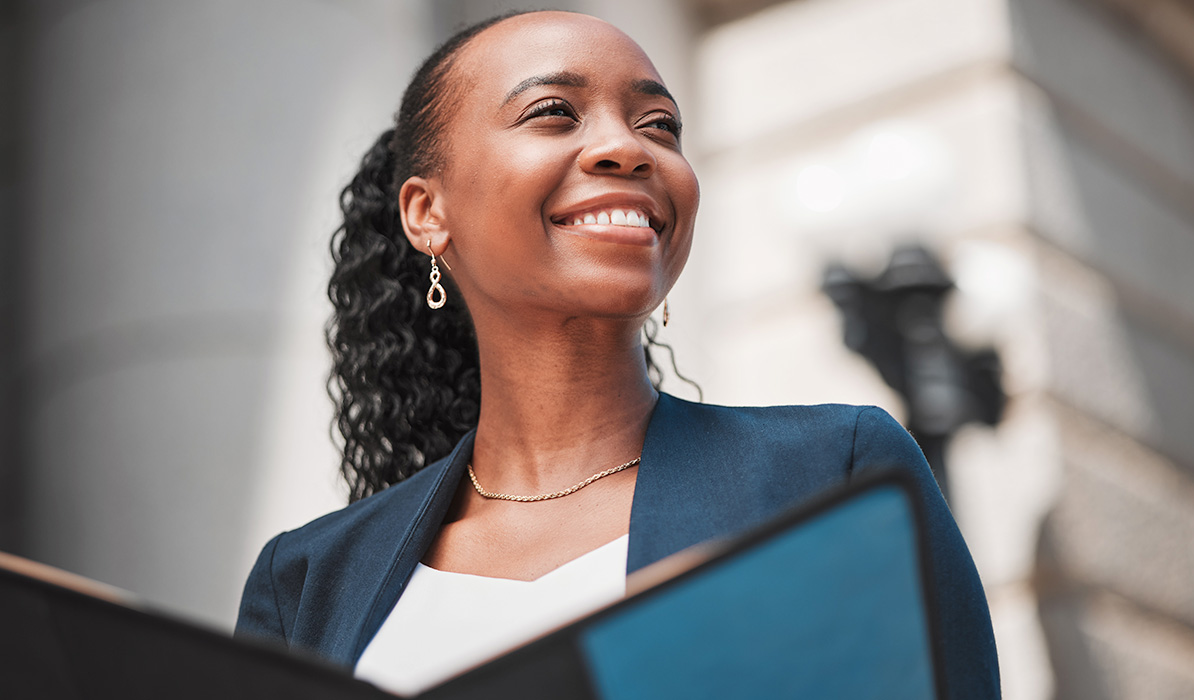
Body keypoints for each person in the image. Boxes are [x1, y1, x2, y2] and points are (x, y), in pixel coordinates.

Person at [236, 10, 1001, 698]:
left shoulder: (831, 475)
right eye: (553, 113)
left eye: (660, 124)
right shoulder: (308, 582)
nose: (624, 147)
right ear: (427, 212)